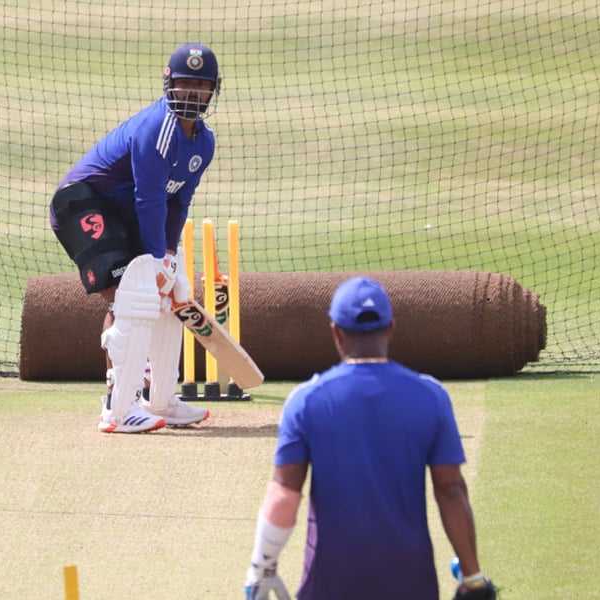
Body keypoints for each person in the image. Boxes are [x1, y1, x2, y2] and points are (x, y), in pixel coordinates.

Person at [244, 277, 497, 600]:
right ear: (390, 329)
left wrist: (262, 569)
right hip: (412, 586)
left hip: (329, 588)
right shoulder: (431, 396)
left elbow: (284, 494)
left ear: (336, 333)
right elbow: (450, 489)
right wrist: (472, 577)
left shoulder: (305, 401)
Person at [49, 43, 221, 433]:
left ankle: (160, 401)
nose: (192, 93)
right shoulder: (156, 130)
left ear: (213, 90)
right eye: (184, 84)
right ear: (169, 84)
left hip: (123, 215)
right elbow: (149, 200)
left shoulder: (204, 143)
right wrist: (156, 257)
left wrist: (169, 253)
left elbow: (178, 200)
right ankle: (117, 407)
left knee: (167, 298)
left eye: (201, 86)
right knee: (132, 296)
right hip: (81, 203)